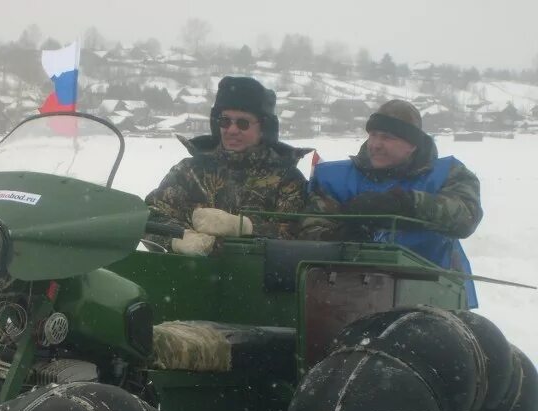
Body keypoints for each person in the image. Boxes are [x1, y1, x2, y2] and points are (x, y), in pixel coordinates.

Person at [306, 99, 482, 307]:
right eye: (372, 135)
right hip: (346, 295)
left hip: (434, 292)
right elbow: (310, 231)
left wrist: (407, 205)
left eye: (387, 138)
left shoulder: (448, 174)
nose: (375, 145)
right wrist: (348, 235)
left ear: (412, 145)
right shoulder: (334, 177)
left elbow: (466, 216)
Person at [145, 76, 310, 255]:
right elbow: (149, 217)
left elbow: (299, 236)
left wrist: (246, 227)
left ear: (263, 127)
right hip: (187, 275)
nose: (232, 130)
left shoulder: (287, 179)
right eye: (225, 121)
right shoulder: (189, 171)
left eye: (243, 123)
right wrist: (177, 239)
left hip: (256, 279)